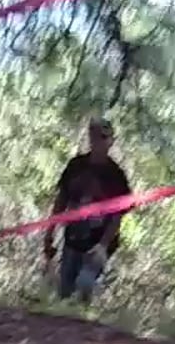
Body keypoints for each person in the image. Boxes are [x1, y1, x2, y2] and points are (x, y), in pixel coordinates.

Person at [43, 117, 132, 303]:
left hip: (97, 243)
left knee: (85, 284)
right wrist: (49, 233)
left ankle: (83, 309)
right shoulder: (76, 166)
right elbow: (61, 200)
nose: (99, 141)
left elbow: (117, 216)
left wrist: (103, 246)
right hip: (73, 239)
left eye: (104, 137)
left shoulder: (116, 176)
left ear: (111, 141)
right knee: (65, 292)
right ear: (90, 137)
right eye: (95, 136)